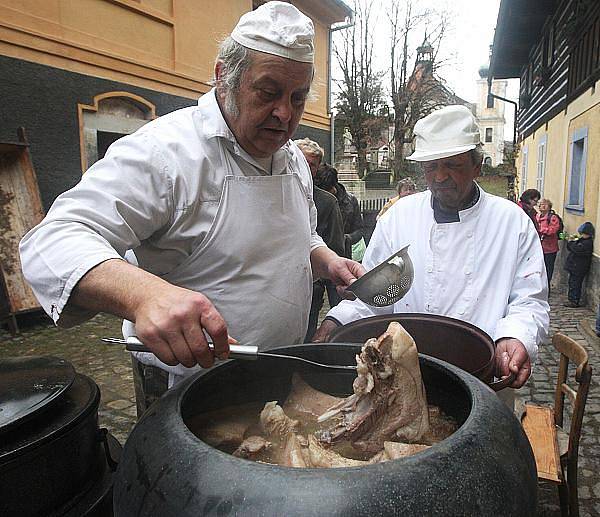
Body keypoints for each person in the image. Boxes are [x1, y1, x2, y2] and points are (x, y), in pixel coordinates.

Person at [19, 2, 364, 414]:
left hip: (276, 369)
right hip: (186, 385)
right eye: (268, 92)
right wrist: (144, 295)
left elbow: (300, 231)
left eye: (298, 97)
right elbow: (51, 240)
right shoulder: (165, 153)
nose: (285, 114)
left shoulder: (292, 160)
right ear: (224, 77)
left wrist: (326, 260)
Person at [314, 105, 550, 396]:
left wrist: (516, 337)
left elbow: (528, 301)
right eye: (431, 166)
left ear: (477, 165)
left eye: (453, 165)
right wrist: (335, 320)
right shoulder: (399, 217)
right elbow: (374, 298)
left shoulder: (512, 223)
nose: (439, 177)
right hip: (402, 381)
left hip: (481, 380)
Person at [295, 138, 345, 341]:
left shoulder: (327, 201)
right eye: (301, 161)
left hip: (312, 286)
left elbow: (334, 246)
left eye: (311, 164)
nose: (305, 168)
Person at [316, 163, 365, 260]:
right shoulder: (314, 200)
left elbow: (359, 230)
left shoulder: (351, 201)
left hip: (342, 255)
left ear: (333, 188)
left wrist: (345, 239)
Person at [564, 222, 595, 308]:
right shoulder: (582, 240)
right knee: (572, 283)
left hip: (579, 267)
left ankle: (574, 300)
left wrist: (571, 243)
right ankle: (571, 299)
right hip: (574, 266)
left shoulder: (587, 243)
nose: (581, 235)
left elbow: (576, 249)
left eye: (583, 234)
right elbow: (572, 247)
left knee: (575, 284)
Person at [536, 198, 561, 286]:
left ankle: (546, 287)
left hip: (550, 248)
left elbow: (552, 230)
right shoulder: (537, 216)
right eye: (540, 204)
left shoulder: (553, 217)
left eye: (544, 204)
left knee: (548, 269)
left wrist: (540, 230)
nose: (541, 206)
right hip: (539, 247)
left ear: (549, 207)